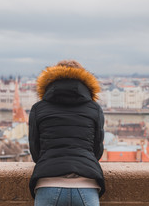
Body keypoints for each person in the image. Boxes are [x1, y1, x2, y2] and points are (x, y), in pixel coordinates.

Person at [28, 60, 105, 206]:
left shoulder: (38, 108)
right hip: (86, 183)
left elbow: (35, 151)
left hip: (47, 182)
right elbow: (97, 151)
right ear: (85, 80)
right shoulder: (94, 109)